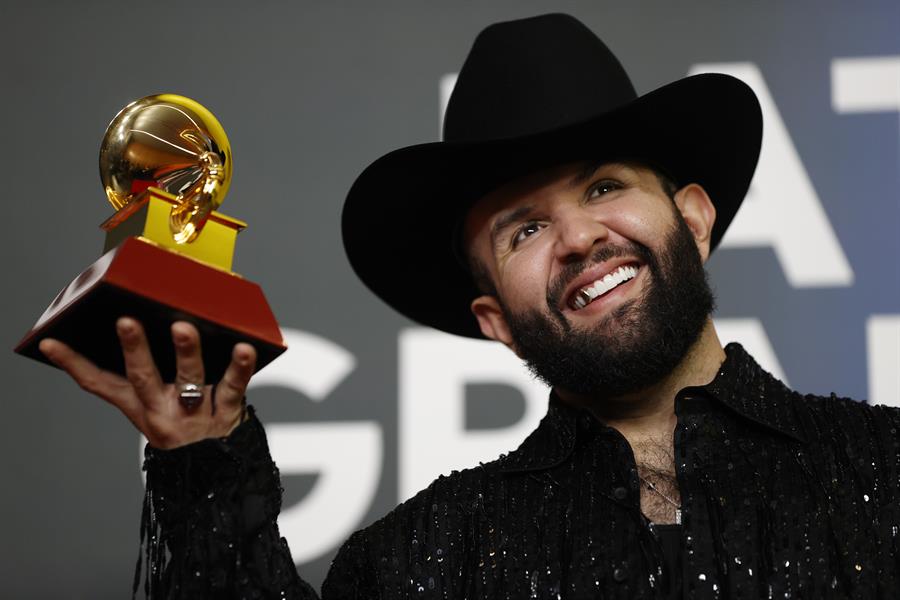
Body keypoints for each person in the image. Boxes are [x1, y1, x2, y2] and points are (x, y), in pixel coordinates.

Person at [39, 13, 899, 600]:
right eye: (524, 230)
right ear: (493, 317)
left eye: (604, 186)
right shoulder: (417, 558)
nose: (578, 238)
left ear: (695, 220)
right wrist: (201, 467)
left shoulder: (887, 469)